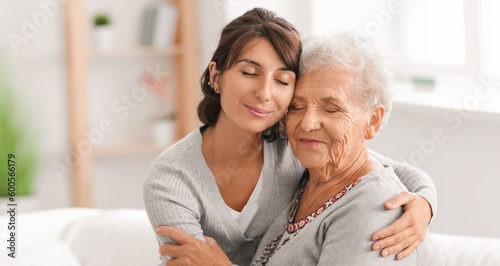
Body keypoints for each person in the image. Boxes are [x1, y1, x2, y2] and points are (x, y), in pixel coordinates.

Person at [145, 8, 436, 266]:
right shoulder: (172, 178)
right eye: (249, 72)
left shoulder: (298, 146)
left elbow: (382, 172)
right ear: (215, 76)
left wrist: (425, 201)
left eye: (282, 81)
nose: (265, 93)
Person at [248, 31, 444, 265]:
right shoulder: (306, 171)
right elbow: (391, 166)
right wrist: (426, 195)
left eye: (332, 109)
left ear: (372, 121)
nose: (308, 124)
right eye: (297, 106)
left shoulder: (375, 210)